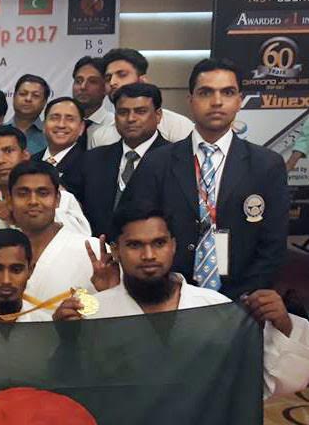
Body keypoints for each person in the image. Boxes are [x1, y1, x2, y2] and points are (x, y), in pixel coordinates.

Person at [53, 204, 309, 399]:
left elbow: (272, 385)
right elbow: (71, 391)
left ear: (173, 246)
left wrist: (284, 325)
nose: (149, 255)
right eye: (134, 245)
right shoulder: (96, 314)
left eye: (159, 243)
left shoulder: (214, 309)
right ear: (116, 251)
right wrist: (65, 340)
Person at [121, 58, 289, 299]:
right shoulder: (157, 162)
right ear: (190, 100)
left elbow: (273, 245)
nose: (217, 101)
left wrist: (242, 299)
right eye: (206, 92)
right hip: (167, 299)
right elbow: (135, 231)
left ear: (240, 101)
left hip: (243, 302)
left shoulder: (266, 165)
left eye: (228, 92)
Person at [7, 160, 109, 320]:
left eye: (43, 193)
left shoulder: (92, 250)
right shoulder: (0, 252)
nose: (33, 201)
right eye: (23, 193)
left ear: (57, 199)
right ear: (10, 200)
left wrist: (109, 291)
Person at [68, 83, 170, 237]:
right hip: (97, 254)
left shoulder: (176, 159)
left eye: (140, 111)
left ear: (158, 115)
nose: (131, 119)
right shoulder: (92, 160)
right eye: (123, 112)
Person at [0, 127, 91, 241]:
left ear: (25, 156)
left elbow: (82, 237)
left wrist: (18, 213)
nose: (0, 160)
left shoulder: (57, 196)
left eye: (8, 151)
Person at [90, 48, 194, 147]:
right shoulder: (101, 136)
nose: (112, 83)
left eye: (122, 75)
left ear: (142, 81)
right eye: (108, 78)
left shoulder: (178, 126)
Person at [31, 96, 86, 188]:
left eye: (70, 119)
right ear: (44, 125)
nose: (61, 125)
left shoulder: (90, 164)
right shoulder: (31, 161)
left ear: (81, 127)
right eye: (54, 118)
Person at [71, 56, 114, 149]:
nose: (82, 87)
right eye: (78, 81)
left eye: (92, 81)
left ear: (105, 88)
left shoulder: (115, 126)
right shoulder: (62, 125)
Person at [4, 73, 50, 154]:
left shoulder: (51, 135)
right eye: (23, 94)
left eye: (35, 95)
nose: (28, 99)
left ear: (44, 102)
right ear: (14, 97)